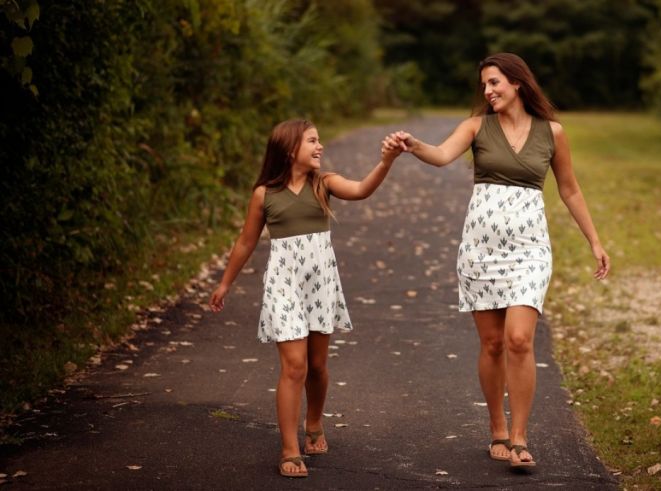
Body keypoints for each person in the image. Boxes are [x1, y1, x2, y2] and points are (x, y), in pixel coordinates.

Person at [382, 53, 610, 468]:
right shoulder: (476, 127)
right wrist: (413, 145)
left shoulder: (552, 132)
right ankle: (497, 428)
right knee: (491, 344)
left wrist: (594, 240)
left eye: (494, 82)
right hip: (480, 251)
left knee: (519, 340)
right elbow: (441, 154)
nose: (487, 91)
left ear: (517, 82)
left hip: (529, 250)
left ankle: (520, 439)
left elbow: (570, 189)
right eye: (484, 85)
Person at [210, 119, 401, 478]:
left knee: (316, 366)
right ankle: (289, 449)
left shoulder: (324, 183)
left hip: (320, 285)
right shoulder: (265, 194)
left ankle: (314, 422)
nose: (320, 146)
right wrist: (225, 283)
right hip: (283, 285)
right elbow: (246, 241)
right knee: (294, 366)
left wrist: (386, 161)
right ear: (289, 149)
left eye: (319, 140)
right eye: (312, 141)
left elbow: (361, 189)